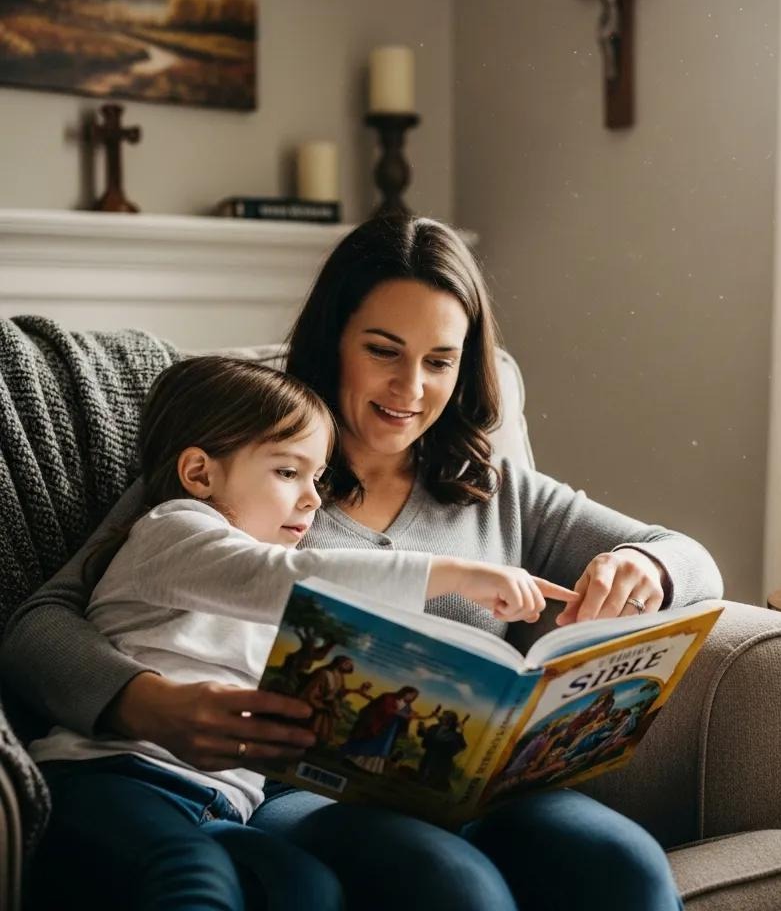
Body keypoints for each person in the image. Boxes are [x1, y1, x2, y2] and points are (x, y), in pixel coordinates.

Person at [2, 214, 723, 910]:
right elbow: (41, 623)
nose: (411, 389)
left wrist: (644, 567)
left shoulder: (496, 489)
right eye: (383, 351)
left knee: (621, 864)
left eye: (439, 362)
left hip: (478, 787)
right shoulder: (250, 467)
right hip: (301, 793)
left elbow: (690, 560)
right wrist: (147, 703)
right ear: (334, 340)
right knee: (452, 885)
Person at [25, 355, 567, 911]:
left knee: (308, 887)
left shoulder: (264, 580)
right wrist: (447, 574)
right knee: (193, 875)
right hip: (109, 778)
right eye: (288, 472)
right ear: (200, 474)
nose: (313, 498)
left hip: (223, 805)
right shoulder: (175, 530)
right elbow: (277, 580)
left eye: (318, 477)